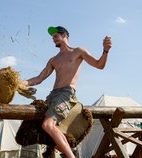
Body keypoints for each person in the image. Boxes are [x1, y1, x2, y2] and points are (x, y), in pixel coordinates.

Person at [20, 26, 112, 158]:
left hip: (66, 94)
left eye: (55, 36)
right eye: (52, 37)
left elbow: (99, 65)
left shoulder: (78, 51)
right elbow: (39, 78)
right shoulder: (53, 60)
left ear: (64, 36)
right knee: (42, 127)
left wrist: (105, 51)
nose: (53, 39)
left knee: (47, 125)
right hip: (52, 95)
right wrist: (19, 83)